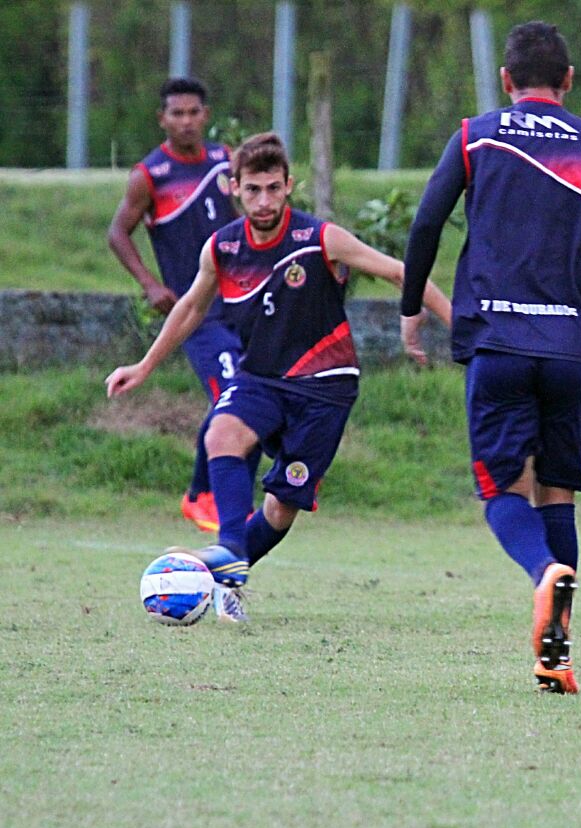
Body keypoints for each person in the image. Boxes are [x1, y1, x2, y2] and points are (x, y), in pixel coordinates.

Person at [401, 21, 581, 695]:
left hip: (499, 344)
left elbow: (427, 223)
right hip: (570, 352)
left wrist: (411, 308)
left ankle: (542, 574)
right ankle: (558, 655)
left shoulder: (476, 136)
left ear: (505, 81)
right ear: (569, 80)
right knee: (557, 490)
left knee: (501, 491)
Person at [107, 132, 451, 622]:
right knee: (221, 432)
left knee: (278, 509)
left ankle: (229, 578)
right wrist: (144, 366)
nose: (264, 200)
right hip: (261, 379)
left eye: (273, 188)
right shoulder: (222, 248)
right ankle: (228, 549)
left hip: (326, 389)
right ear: (234, 189)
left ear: (289, 185)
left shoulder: (319, 238)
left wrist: (459, 329)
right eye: (253, 190)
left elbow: (400, 271)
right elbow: (189, 308)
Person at [107, 77, 249, 534]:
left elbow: (250, 218)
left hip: (241, 303)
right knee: (230, 395)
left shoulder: (225, 160)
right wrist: (150, 284)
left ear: (205, 115)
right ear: (162, 119)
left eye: (193, 113)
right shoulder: (150, 175)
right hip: (196, 314)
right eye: (177, 114)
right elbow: (117, 233)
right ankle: (200, 494)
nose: (186, 121)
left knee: (255, 394)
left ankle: (243, 495)